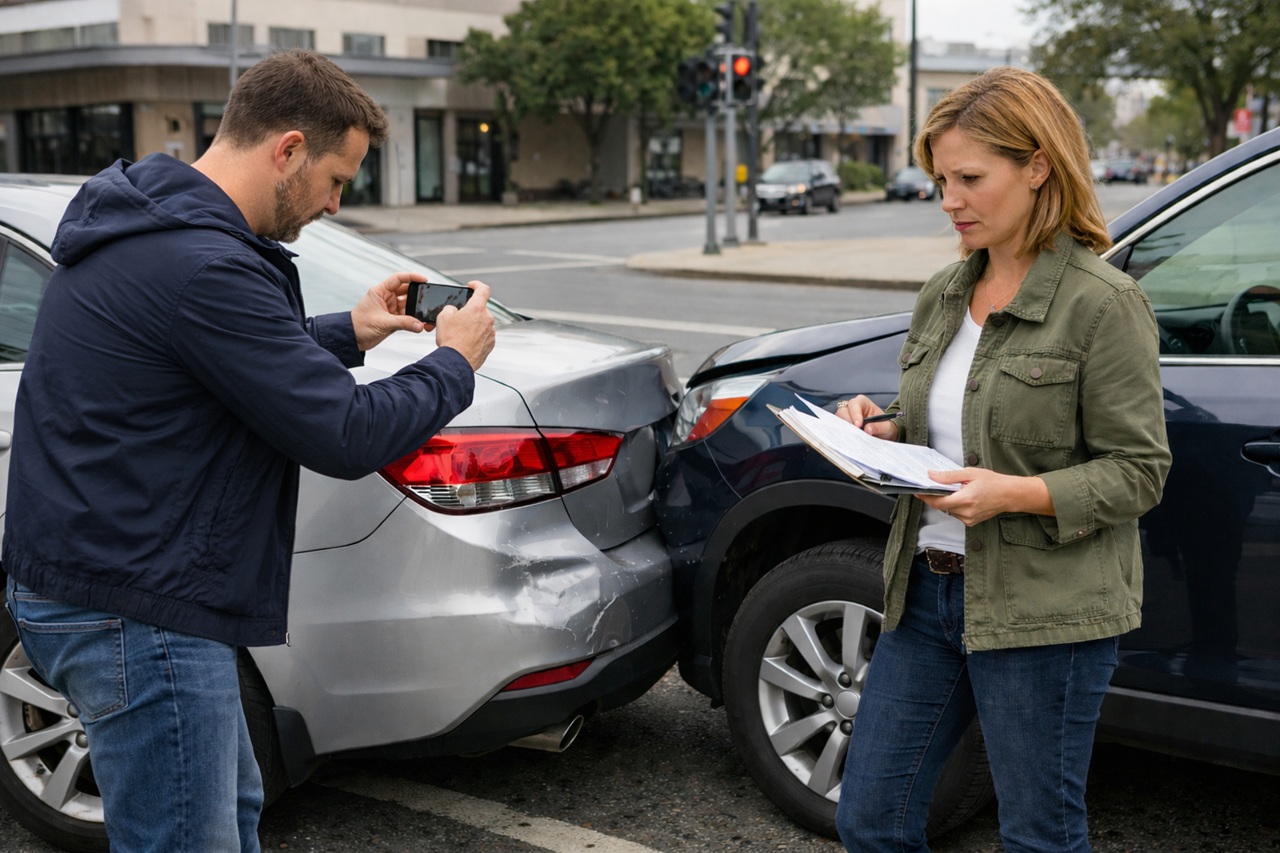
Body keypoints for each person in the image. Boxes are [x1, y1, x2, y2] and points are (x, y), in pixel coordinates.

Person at [3, 50, 495, 852]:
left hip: (101, 584)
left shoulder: (153, 226)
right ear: (289, 149)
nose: (337, 204)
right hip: (140, 610)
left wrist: (349, 330)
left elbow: (210, 359)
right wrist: (454, 362)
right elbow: (345, 433)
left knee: (227, 818)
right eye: (337, 178)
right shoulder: (204, 263)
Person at [832, 67, 1171, 853]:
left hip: (1045, 613)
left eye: (969, 178)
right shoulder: (946, 290)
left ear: (1038, 166)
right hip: (923, 595)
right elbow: (942, 421)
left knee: (1039, 836)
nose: (948, 198)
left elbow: (1139, 470)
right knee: (870, 819)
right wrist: (880, 429)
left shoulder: (1103, 304)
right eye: (940, 179)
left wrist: (1014, 493)